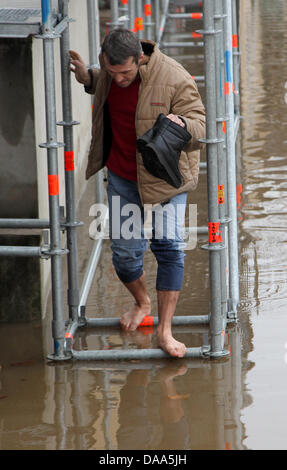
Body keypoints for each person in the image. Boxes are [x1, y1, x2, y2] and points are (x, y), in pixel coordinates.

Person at [69, 28, 205, 358]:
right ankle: (142, 302)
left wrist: (183, 125)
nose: (119, 80)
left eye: (126, 73)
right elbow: (102, 80)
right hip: (123, 178)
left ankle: (165, 331)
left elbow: (201, 127)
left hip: (165, 182)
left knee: (169, 246)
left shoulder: (173, 76)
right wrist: (89, 76)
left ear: (140, 59)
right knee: (125, 257)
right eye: (113, 73)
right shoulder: (108, 75)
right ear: (105, 61)